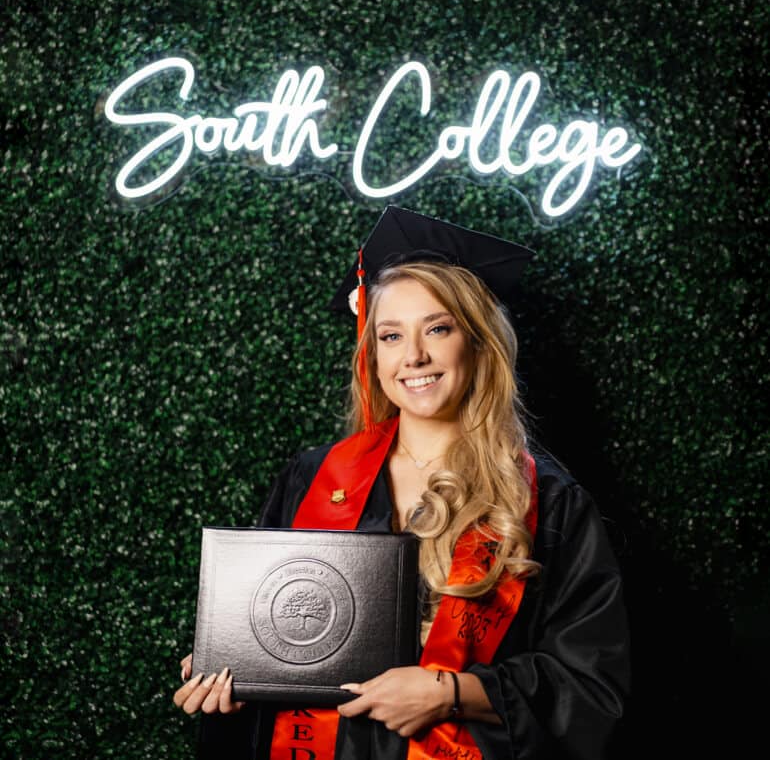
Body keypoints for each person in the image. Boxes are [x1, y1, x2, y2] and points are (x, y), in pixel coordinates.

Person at [173, 206, 631, 759]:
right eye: (390, 335)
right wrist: (236, 673)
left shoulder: (547, 502)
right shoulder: (312, 478)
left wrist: (453, 693)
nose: (413, 356)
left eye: (438, 328)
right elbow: (270, 629)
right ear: (373, 355)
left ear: (479, 341)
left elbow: (591, 687)